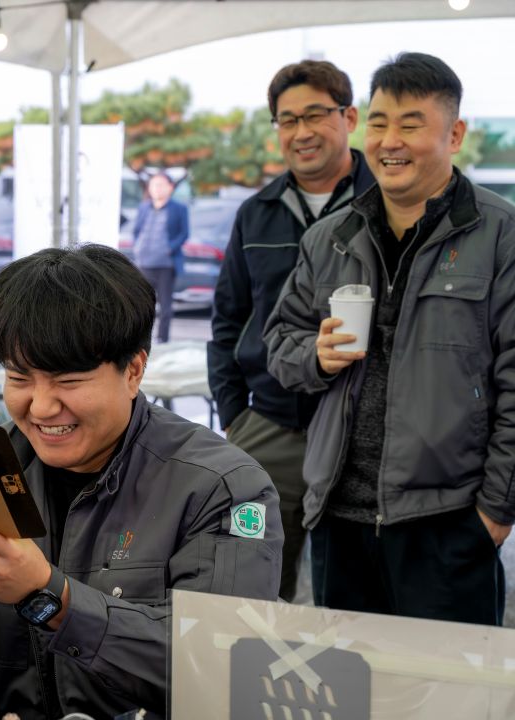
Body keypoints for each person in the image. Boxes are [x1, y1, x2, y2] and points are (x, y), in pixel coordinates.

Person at [0, 244, 282, 719]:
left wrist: (49, 598)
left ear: (134, 371)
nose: (40, 408)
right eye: (19, 378)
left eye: (68, 381)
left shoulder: (220, 488)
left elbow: (219, 669)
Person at [264, 52, 515, 625]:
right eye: (378, 123)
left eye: (410, 124)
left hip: (449, 522)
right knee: (351, 691)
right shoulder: (333, 235)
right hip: (339, 521)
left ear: (454, 133)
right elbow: (280, 341)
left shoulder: (501, 237)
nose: (389, 140)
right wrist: (316, 357)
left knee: (447, 699)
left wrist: (496, 511)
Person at [208, 60, 375, 601]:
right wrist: (235, 415)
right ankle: (257, 679)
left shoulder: (387, 202)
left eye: (314, 115)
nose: (301, 132)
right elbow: (228, 317)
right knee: (251, 577)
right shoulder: (256, 213)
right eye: (286, 120)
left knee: (351, 586)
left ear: (348, 116)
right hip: (270, 427)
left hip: (361, 430)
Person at [132, 172, 189, 343]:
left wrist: (169, 249)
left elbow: (184, 233)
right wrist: (138, 248)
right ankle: (141, 339)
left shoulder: (179, 208)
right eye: (154, 185)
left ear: (170, 187)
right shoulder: (144, 207)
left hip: (166, 264)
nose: (157, 189)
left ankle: (163, 339)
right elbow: (137, 231)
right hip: (144, 263)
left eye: (161, 185)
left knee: (165, 306)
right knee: (142, 304)